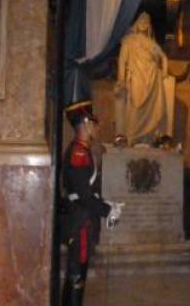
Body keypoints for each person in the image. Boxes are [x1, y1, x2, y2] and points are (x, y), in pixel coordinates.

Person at [61, 99, 123, 306]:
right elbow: (83, 196)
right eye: (94, 124)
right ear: (86, 123)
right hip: (80, 222)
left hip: (83, 218)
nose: (96, 128)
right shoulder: (78, 153)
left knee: (78, 272)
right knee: (76, 274)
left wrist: (109, 205)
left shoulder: (83, 150)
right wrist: (108, 210)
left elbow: (87, 193)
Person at [115, 12, 170, 145]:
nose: (144, 22)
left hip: (152, 79)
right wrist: (121, 79)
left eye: (147, 21)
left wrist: (164, 72)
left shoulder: (151, 43)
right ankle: (131, 136)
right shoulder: (129, 41)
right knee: (135, 107)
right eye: (141, 20)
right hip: (136, 78)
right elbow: (122, 61)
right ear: (137, 24)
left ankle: (149, 138)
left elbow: (163, 57)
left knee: (152, 112)